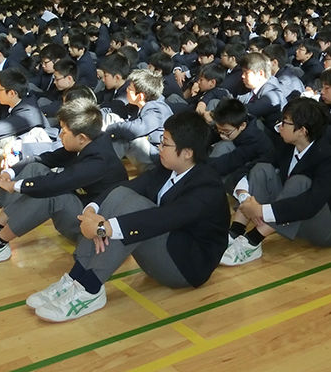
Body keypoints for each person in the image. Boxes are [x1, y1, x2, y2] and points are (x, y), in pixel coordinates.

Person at [29, 111, 230, 322]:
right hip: (166, 244)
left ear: (187, 152)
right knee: (122, 194)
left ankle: (91, 288)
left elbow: (165, 218)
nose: (159, 148)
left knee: (135, 207)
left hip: (185, 265)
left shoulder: (207, 185)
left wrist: (104, 228)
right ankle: (75, 277)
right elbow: (125, 187)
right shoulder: (168, 168)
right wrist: (93, 209)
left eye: (165, 143)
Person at [0, 99, 128, 267]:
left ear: (81, 137)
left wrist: (14, 186)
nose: (60, 135)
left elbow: (58, 182)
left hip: (94, 229)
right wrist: (10, 172)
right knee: (35, 169)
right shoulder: (91, 139)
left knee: (52, 194)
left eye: (64, 132)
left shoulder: (98, 160)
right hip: (82, 209)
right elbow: (48, 158)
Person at [221, 98, 331, 266]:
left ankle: (253, 241)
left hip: (329, 227)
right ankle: (235, 231)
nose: (279, 126)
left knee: (299, 182)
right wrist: (243, 196)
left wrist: (261, 210)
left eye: (285, 123)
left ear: (302, 131)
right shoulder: (287, 145)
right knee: (262, 169)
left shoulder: (326, 159)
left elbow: (311, 204)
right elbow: (252, 166)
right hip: (297, 219)